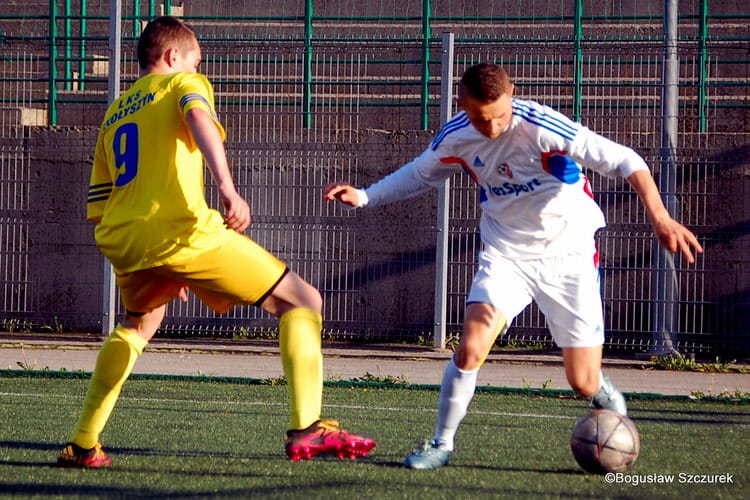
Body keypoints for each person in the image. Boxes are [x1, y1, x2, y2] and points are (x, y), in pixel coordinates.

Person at [323, 62, 702, 470]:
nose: (492, 127)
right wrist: (364, 196)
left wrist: (661, 218)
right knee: (470, 347)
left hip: (569, 256)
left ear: (512, 95)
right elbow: (420, 174)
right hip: (506, 256)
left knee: (582, 382)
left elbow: (626, 160)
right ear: (461, 104)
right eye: (481, 118)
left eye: (501, 115)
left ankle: (601, 393)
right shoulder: (457, 136)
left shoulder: (542, 126)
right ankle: (441, 443)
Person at [57, 16, 374, 468]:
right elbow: (197, 115)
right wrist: (226, 186)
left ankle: (83, 443)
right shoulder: (184, 82)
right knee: (303, 300)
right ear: (172, 57)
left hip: (124, 239)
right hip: (182, 232)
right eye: (196, 59)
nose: (200, 67)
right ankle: (308, 427)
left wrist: (161, 264)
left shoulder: (115, 110)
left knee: (138, 325)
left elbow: (99, 203)